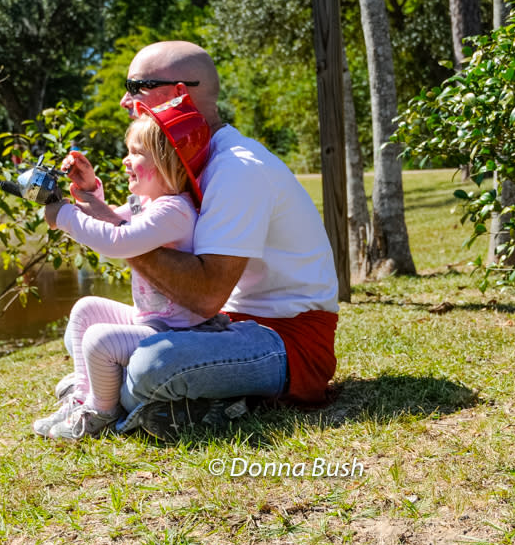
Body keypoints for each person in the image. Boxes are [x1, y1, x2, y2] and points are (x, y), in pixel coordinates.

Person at [58, 40, 340, 440]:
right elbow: (134, 232)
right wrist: (93, 204)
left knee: (148, 367)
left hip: (285, 340)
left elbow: (205, 293)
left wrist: (120, 240)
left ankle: (124, 398)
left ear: (178, 94)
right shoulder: (185, 163)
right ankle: (126, 398)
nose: (125, 100)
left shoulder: (235, 169)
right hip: (217, 326)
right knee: (87, 320)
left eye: (136, 86)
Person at [33, 96, 213, 441]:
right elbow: (112, 219)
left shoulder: (173, 210)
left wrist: (65, 215)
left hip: (179, 332)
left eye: (135, 153)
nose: (125, 160)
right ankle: (83, 397)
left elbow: (119, 241)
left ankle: (101, 412)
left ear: (164, 162)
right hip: (153, 321)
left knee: (100, 339)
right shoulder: (150, 204)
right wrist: (88, 190)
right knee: (86, 309)